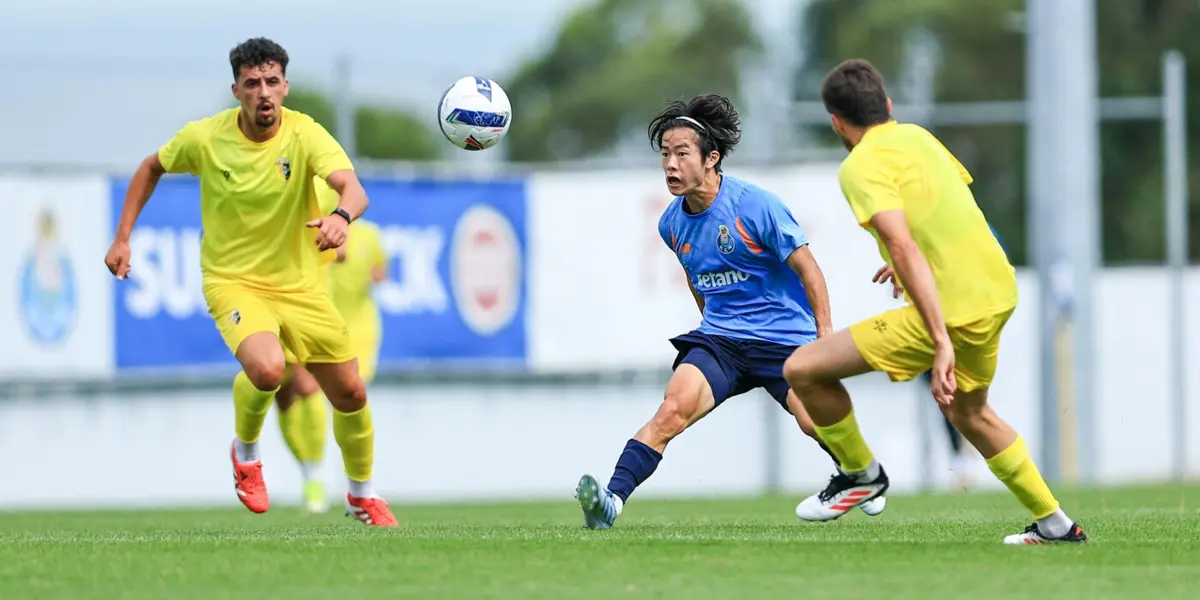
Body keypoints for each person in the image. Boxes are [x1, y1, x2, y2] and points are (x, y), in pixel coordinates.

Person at [783, 58, 1087, 544]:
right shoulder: (919, 138)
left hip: (952, 314)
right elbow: (946, 208)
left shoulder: (859, 166)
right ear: (887, 105)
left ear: (837, 122)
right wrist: (907, 264)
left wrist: (940, 338)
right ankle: (1055, 523)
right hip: (996, 292)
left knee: (802, 370)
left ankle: (861, 473)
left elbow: (902, 240)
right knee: (971, 413)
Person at [103, 37, 397, 527]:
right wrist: (122, 238)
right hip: (233, 281)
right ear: (236, 89)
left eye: (273, 82)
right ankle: (246, 454)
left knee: (351, 394)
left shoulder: (305, 134)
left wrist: (342, 217)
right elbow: (150, 167)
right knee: (268, 369)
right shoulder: (206, 138)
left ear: (285, 86)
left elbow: (352, 187)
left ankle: (362, 496)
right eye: (253, 83)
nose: (264, 92)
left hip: (300, 287)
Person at [575, 94, 885, 529]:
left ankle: (862, 475)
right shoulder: (671, 223)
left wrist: (825, 336)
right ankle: (611, 501)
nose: (670, 165)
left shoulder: (756, 206)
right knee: (671, 411)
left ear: (712, 158)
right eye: (665, 154)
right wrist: (713, 325)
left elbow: (810, 270)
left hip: (784, 339)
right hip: (722, 340)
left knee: (811, 420)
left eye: (682, 154)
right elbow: (696, 276)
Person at [275, 178, 388, 514]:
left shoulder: (368, 235)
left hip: (354, 328)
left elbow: (379, 269)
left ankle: (351, 480)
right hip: (302, 312)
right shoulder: (300, 186)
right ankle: (311, 466)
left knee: (346, 396)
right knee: (283, 391)